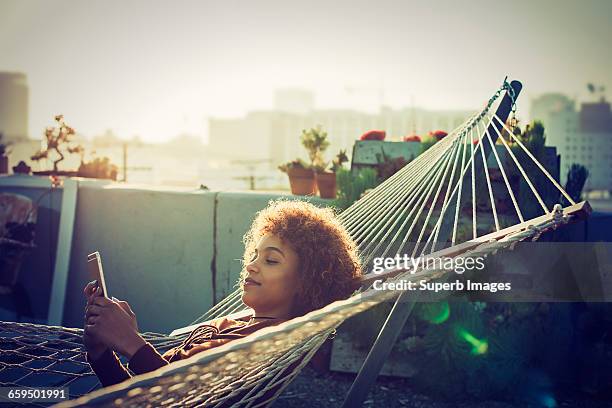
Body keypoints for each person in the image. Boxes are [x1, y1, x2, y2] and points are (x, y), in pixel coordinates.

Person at [84, 199, 362, 388]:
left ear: (306, 282)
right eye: (255, 255)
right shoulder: (233, 326)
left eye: (271, 260)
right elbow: (140, 397)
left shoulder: (262, 343)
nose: (251, 265)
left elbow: (176, 397)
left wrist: (131, 343)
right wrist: (102, 353)